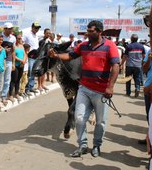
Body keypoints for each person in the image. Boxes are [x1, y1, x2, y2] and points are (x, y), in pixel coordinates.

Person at [49, 20, 120, 158]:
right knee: (79, 118)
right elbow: (70, 56)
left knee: (100, 121)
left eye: (91, 31)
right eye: (87, 30)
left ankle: (97, 145)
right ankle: (82, 145)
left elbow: (116, 66)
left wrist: (110, 86)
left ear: (99, 31)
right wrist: (56, 56)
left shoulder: (110, 46)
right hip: (84, 88)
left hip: (101, 91)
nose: (88, 33)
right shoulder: (83, 45)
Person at [23, 21, 41, 95]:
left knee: (34, 72)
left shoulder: (36, 36)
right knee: (29, 72)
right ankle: (27, 89)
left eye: (38, 28)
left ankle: (31, 87)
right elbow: (22, 43)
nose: (37, 29)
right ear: (32, 27)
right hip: (30, 56)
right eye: (35, 28)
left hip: (36, 56)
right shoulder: (27, 35)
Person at [1, 22, 16, 106]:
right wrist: (3, 49)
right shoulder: (0, 36)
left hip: (9, 60)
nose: (10, 30)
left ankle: (4, 96)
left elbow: (13, 50)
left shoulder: (13, 38)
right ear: (5, 29)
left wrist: (13, 62)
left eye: (11, 28)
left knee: (7, 80)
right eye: (9, 28)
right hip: (0, 61)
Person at [8, 33, 25, 102]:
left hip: (21, 65)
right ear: (16, 39)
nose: (20, 39)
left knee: (18, 80)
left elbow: (24, 54)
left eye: (21, 38)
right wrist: (21, 60)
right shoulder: (14, 46)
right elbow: (14, 56)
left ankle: (16, 93)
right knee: (13, 80)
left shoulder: (22, 46)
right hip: (16, 65)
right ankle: (10, 94)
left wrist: (23, 61)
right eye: (19, 38)